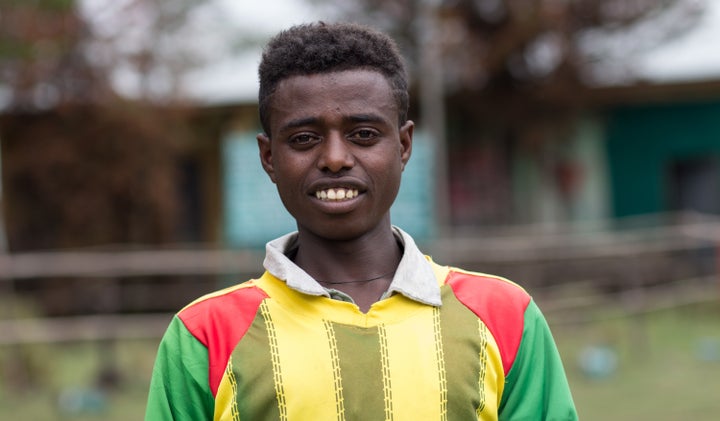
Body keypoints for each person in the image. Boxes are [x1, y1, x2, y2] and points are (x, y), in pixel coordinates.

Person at [145, 22, 578, 420]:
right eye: (304, 139)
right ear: (269, 157)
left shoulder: (504, 317)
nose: (335, 158)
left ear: (404, 146)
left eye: (364, 135)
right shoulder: (204, 337)